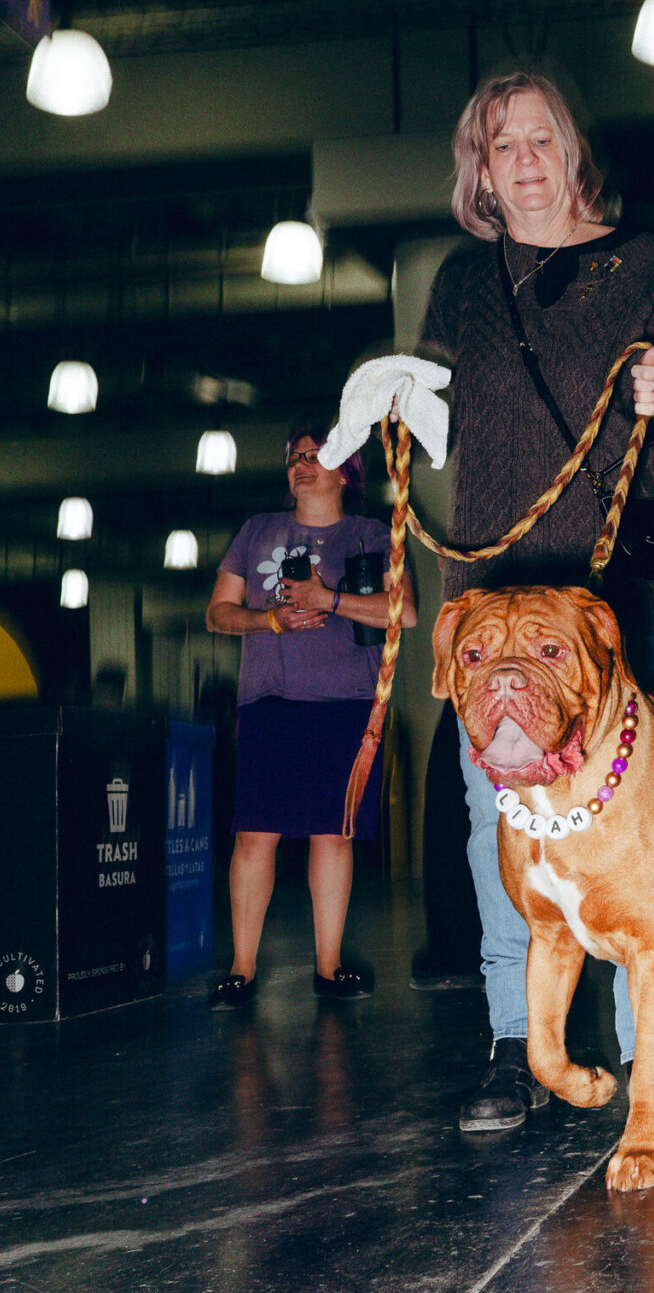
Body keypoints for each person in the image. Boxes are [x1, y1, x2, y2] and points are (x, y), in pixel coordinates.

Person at [416, 70, 654, 1129]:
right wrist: (392, 398)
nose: (523, 160)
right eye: (501, 145)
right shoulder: (462, 283)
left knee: (647, 835)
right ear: (480, 171)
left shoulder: (640, 263)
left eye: (540, 138)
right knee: (497, 828)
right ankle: (518, 1044)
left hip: (620, 598)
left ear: (572, 153)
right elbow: (433, 421)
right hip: (490, 596)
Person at [203, 428, 413, 1010]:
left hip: (347, 703)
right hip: (268, 702)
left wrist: (329, 600)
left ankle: (329, 966)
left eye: (316, 455)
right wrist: (270, 621)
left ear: (346, 470)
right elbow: (217, 614)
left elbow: (404, 613)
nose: (301, 464)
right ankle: (241, 970)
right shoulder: (257, 530)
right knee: (255, 834)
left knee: (333, 834)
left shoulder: (372, 534)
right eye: (294, 456)